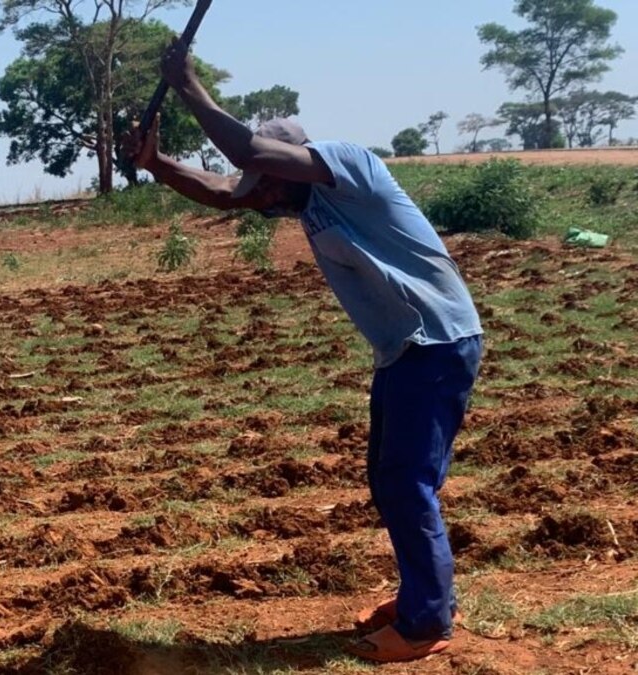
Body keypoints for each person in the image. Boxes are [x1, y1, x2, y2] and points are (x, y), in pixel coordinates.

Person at [121, 39, 484, 663]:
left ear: (291, 162)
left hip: (438, 340)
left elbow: (248, 153)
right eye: (260, 186)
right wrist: (158, 163)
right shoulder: (300, 198)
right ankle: (424, 597)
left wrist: (189, 86)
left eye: (267, 181)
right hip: (407, 348)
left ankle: (426, 624)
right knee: (395, 480)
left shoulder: (350, 166)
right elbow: (225, 190)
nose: (259, 195)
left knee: (406, 482)